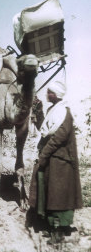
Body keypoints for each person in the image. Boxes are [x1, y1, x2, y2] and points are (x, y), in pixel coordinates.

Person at [28, 81, 82, 242]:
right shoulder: (54, 110)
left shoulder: (64, 113)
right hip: (54, 159)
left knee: (59, 196)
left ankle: (59, 232)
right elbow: (46, 131)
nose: (47, 95)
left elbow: (58, 137)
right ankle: (53, 227)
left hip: (62, 161)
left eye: (50, 92)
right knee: (51, 193)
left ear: (56, 95)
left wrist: (44, 153)